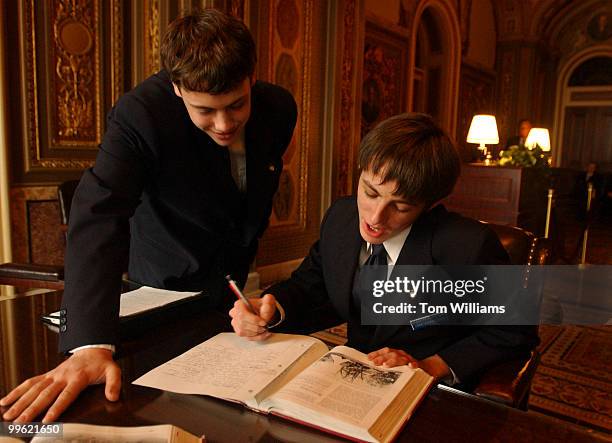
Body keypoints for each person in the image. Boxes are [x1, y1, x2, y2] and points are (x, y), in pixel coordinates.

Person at [1, 9, 297, 423]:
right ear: (177, 88)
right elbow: (98, 213)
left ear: (252, 77)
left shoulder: (280, 108)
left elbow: (250, 186)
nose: (224, 123)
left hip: (231, 277)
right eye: (205, 111)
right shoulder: (141, 113)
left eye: (236, 105)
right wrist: (90, 346)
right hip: (161, 277)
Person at [230, 113, 538, 386]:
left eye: (400, 206)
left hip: (431, 393)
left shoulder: (468, 247)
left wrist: (430, 367)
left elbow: (515, 331)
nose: (375, 218)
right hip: (351, 377)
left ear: (428, 206)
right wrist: (271, 309)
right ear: (361, 171)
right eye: (370, 192)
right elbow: (310, 285)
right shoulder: (341, 217)